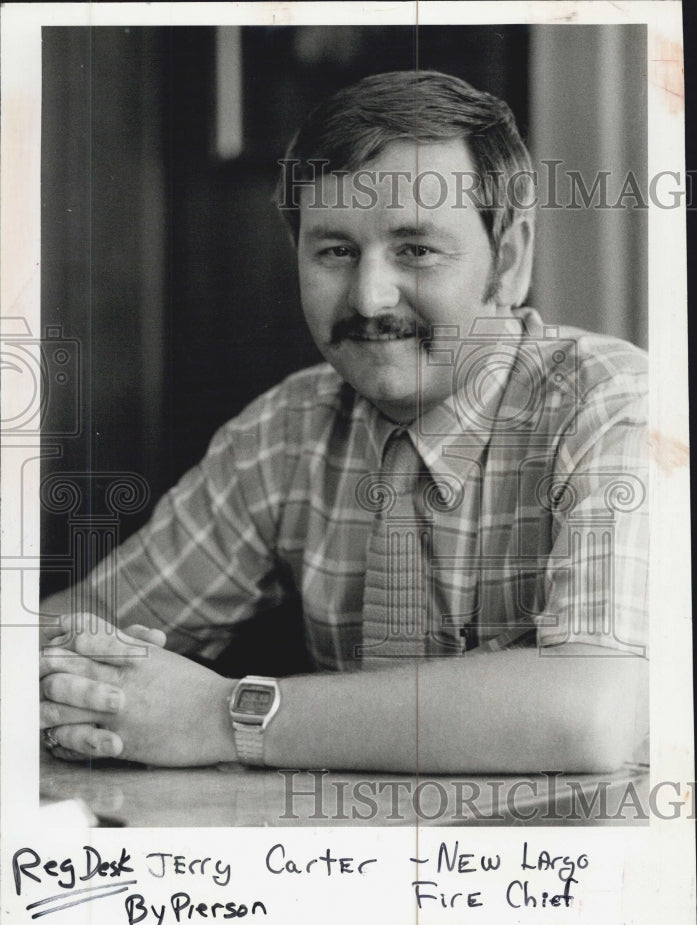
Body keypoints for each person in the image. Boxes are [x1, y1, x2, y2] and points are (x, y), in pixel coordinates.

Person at [39, 70, 648, 774]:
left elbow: (589, 715)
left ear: (506, 262)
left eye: (415, 250)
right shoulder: (284, 431)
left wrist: (221, 715)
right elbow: (67, 625)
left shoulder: (612, 405)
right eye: (335, 251)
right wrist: (78, 681)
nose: (368, 295)